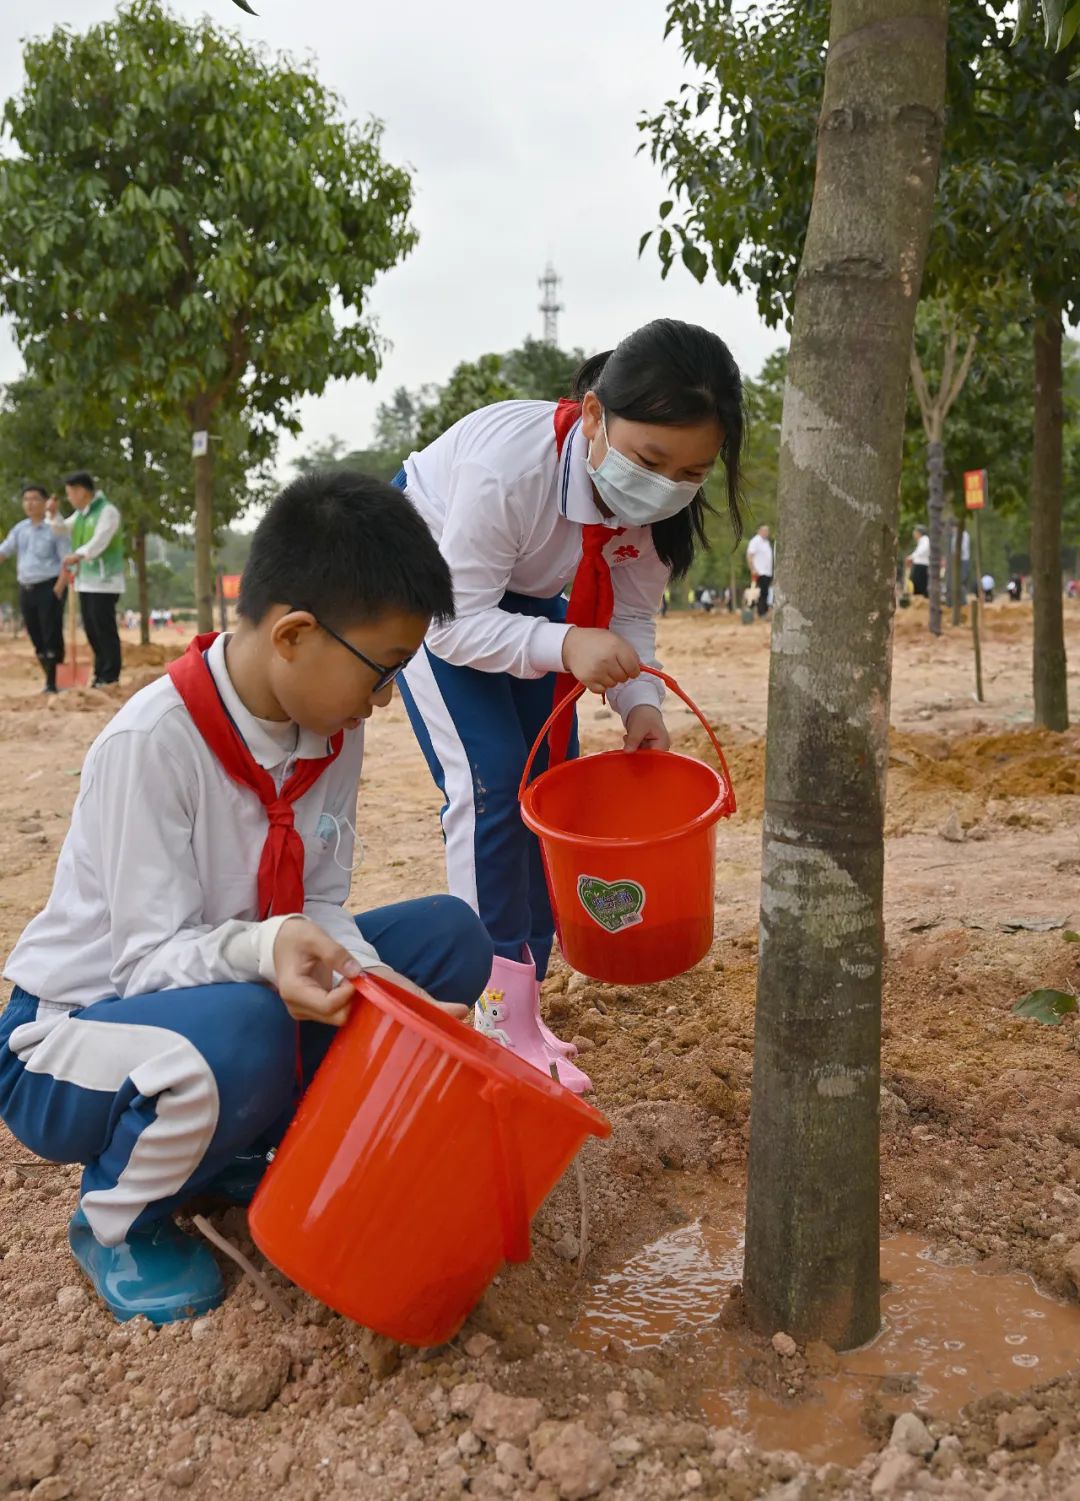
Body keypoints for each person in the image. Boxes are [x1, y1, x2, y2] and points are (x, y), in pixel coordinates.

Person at [0, 471, 493, 1325]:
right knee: (255, 1025)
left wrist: (385, 992)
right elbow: (148, 959)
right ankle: (118, 1219)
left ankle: (232, 1144)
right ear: (296, 634)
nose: (382, 702)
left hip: (215, 995)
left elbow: (324, 904)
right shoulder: (153, 743)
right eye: (382, 672)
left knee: (450, 938)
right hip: (72, 1039)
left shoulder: (330, 734)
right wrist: (268, 952)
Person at [392, 319, 745, 1091]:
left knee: (548, 780)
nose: (667, 484)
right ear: (593, 417)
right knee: (489, 783)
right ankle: (493, 1013)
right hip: (432, 582)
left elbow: (628, 618)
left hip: (521, 595)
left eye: (693, 470)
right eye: (651, 459)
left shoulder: (657, 512)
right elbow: (455, 624)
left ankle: (528, 992)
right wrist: (564, 646)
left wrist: (640, 703)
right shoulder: (508, 471)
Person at [48, 471, 124, 687]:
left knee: (104, 628)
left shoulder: (107, 511)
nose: (69, 497)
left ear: (82, 491)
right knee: (91, 629)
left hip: (105, 582)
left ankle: (110, 676)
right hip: (86, 581)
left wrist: (79, 554)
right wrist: (53, 515)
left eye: (71, 493)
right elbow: (61, 529)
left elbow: (101, 540)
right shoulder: (81, 515)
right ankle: (100, 674)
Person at [0, 484, 68, 693]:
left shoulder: (55, 529)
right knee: (36, 636)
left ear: (46, 503)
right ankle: (50, 679)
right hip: (26, 589)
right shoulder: (20, 529)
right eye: (26, 499)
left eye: (35, 499)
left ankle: (54, 682)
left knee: (51, 634)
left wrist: (59, 588)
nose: (30, 503)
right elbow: (4, 551)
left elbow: (67, 559)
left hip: (49, 587)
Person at [745, 524, 774, 617]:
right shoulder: (755, 541)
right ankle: (760, 612)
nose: (766, 533)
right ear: (760, 531)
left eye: (767, 531)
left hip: (767, 572)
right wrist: (752, 568)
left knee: (765, 592)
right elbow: (750, 555)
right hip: (759, 571)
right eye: (765, 530)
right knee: (758, 592)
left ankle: (762, 611)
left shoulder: (766, 542)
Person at [907, 525, 930, 597]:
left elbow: (922, 550)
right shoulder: (921, 540)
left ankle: (922, 600)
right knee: (915, 583)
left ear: (919, 533)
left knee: (920, 584)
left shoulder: (925, 539)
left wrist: (912, 557)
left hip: (921, 565)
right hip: (918, 564)